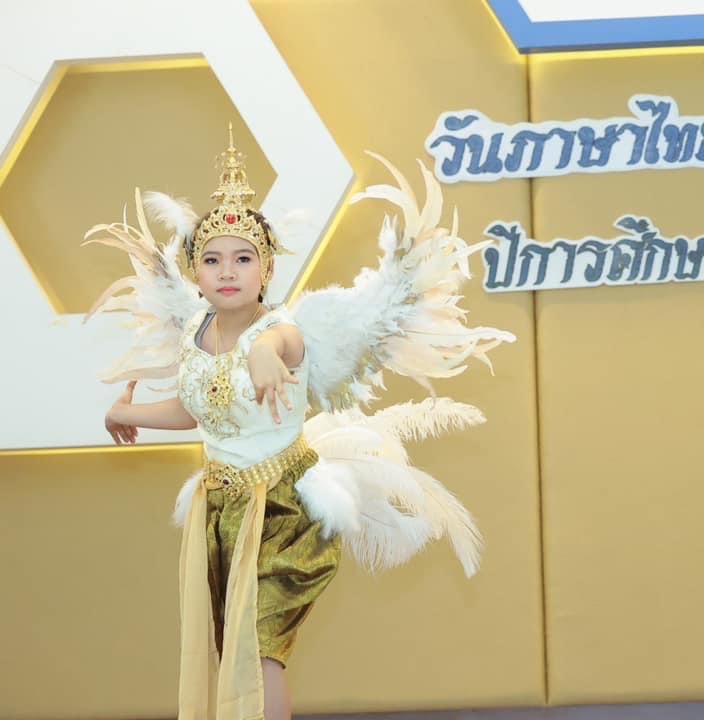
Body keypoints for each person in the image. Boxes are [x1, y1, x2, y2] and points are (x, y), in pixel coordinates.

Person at [87, 129, 514, 720]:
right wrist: (125, 413)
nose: (227, 271)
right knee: (230, 648)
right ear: (196, 273)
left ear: (265, 270)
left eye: (243, 259)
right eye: (212, 260)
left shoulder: (282, 329)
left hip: (284, 510)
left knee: (260, 648)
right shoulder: (195, 333)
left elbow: (282, 348)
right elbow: (199, 409)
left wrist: (265, 355)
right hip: (221, 510)